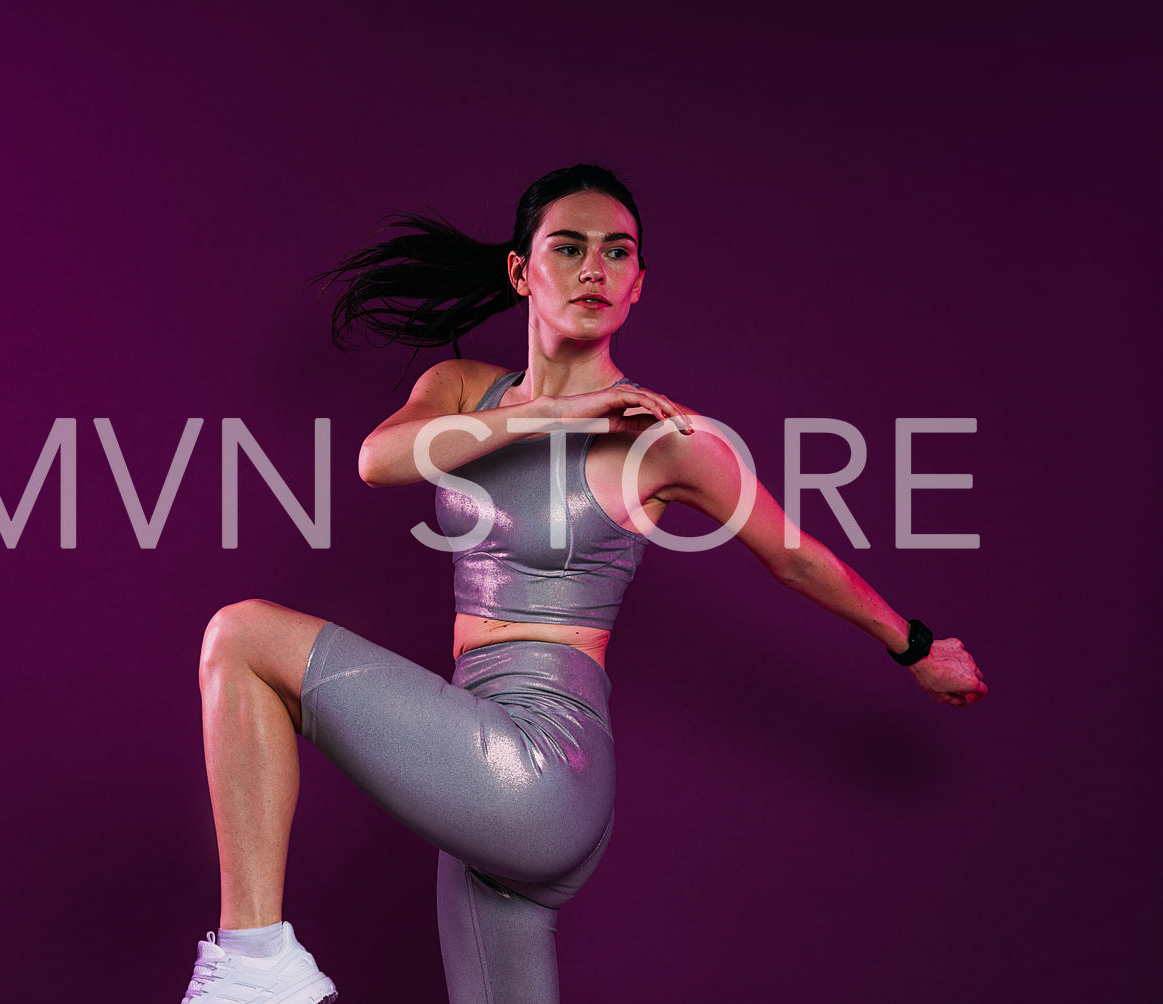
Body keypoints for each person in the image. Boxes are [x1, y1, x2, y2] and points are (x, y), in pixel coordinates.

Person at [180, 165, 986, 1004]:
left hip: (541, 767)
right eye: (567, 248)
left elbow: (795, 556)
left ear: (638, 285)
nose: (593, 268)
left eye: (617, 251)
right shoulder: (463, 390)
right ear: (522, 272)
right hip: (475, 766)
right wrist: (554, 414)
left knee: (240, 635)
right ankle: (258, 969)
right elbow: (378, 461)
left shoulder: (665, 439)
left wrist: (915, 648)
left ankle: (255, 965)